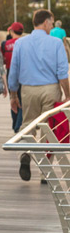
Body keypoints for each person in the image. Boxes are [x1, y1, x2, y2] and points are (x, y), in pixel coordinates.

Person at [8, 10, 70, 181]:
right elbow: (62, 73)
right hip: (50, 89)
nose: (51, 26)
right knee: (48, 128)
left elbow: (13, 71)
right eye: (51, 23)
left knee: (28, 124)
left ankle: (24, 154)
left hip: (28, 89)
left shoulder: (20, 43)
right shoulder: (56, 43)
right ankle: (45, 172)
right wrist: (68, 94)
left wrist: (13, 94)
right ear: (45, 23)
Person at [1, 22, 24, 132]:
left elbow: (2, 59)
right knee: (22, 100)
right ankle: (18, 125)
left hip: (10, 72)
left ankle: (15, 122)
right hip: (23, 73)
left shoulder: (5, 44)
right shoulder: (25, 43)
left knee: (13, 98)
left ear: (11, 31)